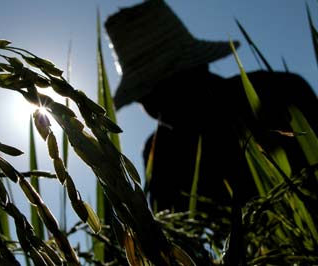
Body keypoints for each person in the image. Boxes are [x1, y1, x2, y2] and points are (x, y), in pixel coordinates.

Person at [105, 0, 318, 213]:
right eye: (142, 98)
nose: (149, 109)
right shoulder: (162, 153)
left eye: (151, 95)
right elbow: (174, 238)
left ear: (196, 70)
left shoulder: (277, 93)